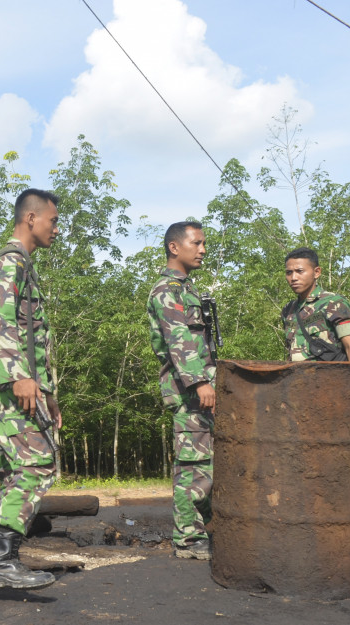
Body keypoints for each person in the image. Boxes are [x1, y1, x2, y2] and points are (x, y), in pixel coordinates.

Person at [0, 188, 62, 590]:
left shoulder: (24, 264)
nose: (56, 229)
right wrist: (18, 377)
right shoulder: (10, 261)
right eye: (53, 221)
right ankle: (1, 561)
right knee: (37, 463)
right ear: (31, 218)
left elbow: (34, 340)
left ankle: (3, 556)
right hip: (10, 382)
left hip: (24, 382)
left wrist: (48, 393)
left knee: (17, 466)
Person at [146, 221, 217, 560]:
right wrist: (200, 382)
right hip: (189, 392)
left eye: (204, 243)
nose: (202, 250)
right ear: (174, 247)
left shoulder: (187, 289)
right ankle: (188, 539)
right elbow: (178, 339)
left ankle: (202, 531)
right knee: (193, 466)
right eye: (196, 243)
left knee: (207, 465)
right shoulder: (166, 290)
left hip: (201, 390)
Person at [281, 247, 350, 362]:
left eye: (300, 271)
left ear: (316, 272)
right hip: (296, 373)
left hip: (329, 373)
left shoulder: (333, 303)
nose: (293, 278)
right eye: (289, 272)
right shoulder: (288, 310)